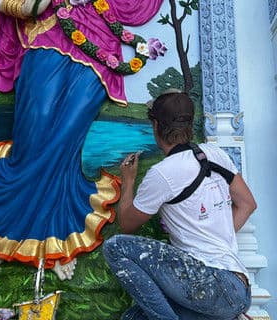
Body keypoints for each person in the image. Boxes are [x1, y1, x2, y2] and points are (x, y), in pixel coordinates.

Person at [0, 0, 165, 280]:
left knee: (66, 141)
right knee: (33, 132)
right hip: (46, 32)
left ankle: (53, 242)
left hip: (96, 41)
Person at [103, 91, 256, 319]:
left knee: (116, 247)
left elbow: (127, 224)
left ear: (155, 125)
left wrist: (128, 182)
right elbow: (247, 204)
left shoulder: (162, 174)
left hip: (211, 284)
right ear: (190, 124)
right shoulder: (216, 155)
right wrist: (214, 235)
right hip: (238, 290)